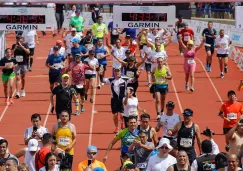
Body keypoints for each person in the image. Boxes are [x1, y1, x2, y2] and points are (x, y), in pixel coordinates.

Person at [102, 67, 136, 134]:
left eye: (118, 71)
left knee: (122, 114)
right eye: (116, 71)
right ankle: (117, 127)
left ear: (121, 72)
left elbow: (133, 80)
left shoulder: (125, 79)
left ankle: (122, 122)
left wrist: (137, 75)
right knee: (115, 114)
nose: (117, 73)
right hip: (114, 99)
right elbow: (102, 80)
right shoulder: (110, 80)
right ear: (114, 72)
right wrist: (100, 74)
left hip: (122, 99)